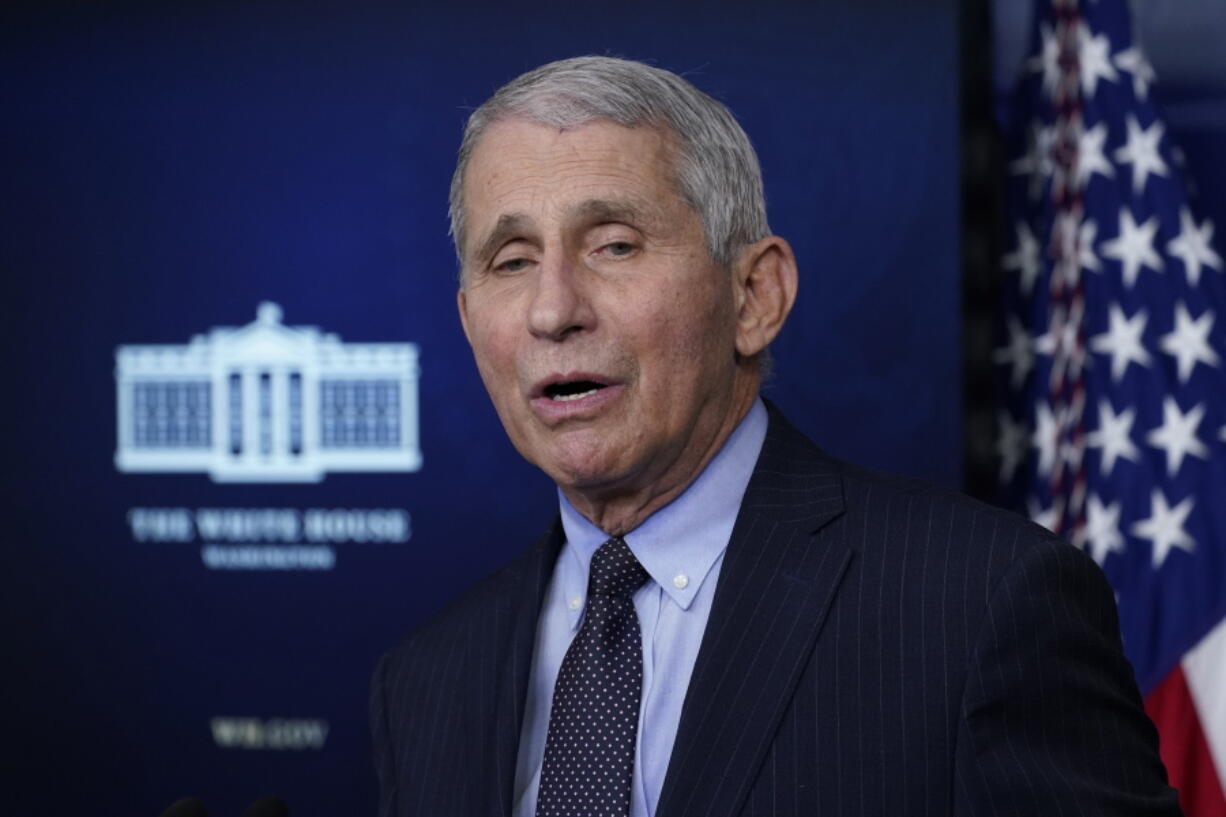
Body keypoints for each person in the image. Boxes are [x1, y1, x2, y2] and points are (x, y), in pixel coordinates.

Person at [369, 56, 1181, 817]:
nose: (554, 310)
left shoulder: (983, 607)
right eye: (512, 261)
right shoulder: (425, 681)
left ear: (755, 295)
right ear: (472, 325)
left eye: (614, 245)